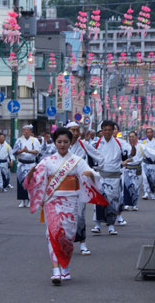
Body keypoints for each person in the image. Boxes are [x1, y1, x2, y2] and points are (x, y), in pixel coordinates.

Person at [24, 127, 107, 285]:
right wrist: (30, 175)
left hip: (71, 201)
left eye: (65, 142)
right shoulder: (47, 161)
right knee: (53, 233)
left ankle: (65, 266)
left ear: (70, 143)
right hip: (52, 201)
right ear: (55, 142)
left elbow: (91, 173)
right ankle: (55, 270)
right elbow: (36, 181)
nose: (62, 144)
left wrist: (91, 175)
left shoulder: (77, 160)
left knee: (67, 236)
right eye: (59, 141)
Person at [67, 122, 104, 256]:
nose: (75, 133)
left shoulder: (83, 144)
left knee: (80, 215)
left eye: (77, 130)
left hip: (80, 186)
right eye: (72, 130)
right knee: (65, 216)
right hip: (63, 186)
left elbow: (99, 157)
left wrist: (93, 172)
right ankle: (66, 243)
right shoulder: (60, 145)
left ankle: (82, 243)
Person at [91, 120, 134, 235]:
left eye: (110, 130)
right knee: (99, 201)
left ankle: (111, 226)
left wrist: (133, 146)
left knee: (113, 202)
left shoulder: (121, 143)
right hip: (100, 176)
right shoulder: (96, 143)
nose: (108, 132)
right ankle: (97, 224)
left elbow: (131, 154)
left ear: (113, 130)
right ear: (102, 130)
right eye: (105, 130)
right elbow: (89, 157)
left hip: (114, 177)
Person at [12, 124, 41, 207]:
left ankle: (30, 200)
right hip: (21, 164)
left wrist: (28, 151)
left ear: (31, 131)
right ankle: (22, 200)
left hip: (31, 164)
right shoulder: (19, 140)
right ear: (22, 131)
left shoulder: (35, 140)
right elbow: (14, 152)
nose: (26, 131)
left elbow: (37, 151)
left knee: (30, 182)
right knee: (21, 182)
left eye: (28, 130)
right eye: (24, 130)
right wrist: (22, 151)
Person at [123, 131, 153, 211]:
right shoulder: (125, 146)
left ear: (136, 137)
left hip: (137, 169)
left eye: (132, 137)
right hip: (127, 169)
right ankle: (126, 203)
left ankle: (134, 204)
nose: (131, 138)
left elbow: (151, 153)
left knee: (136, 187)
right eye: (130, 137)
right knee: (127, 185)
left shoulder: (141, 147)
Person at [141, 128, 155, 200]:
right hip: (145, 162)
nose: (149, 134)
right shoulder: (143, 142)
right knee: (145, 178)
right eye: (148, 132)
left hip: (153, 163)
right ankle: (146, 192)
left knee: (153, 178)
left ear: (153, 133)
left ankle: (153, 193)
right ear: (146, 134)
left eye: (150, 132)